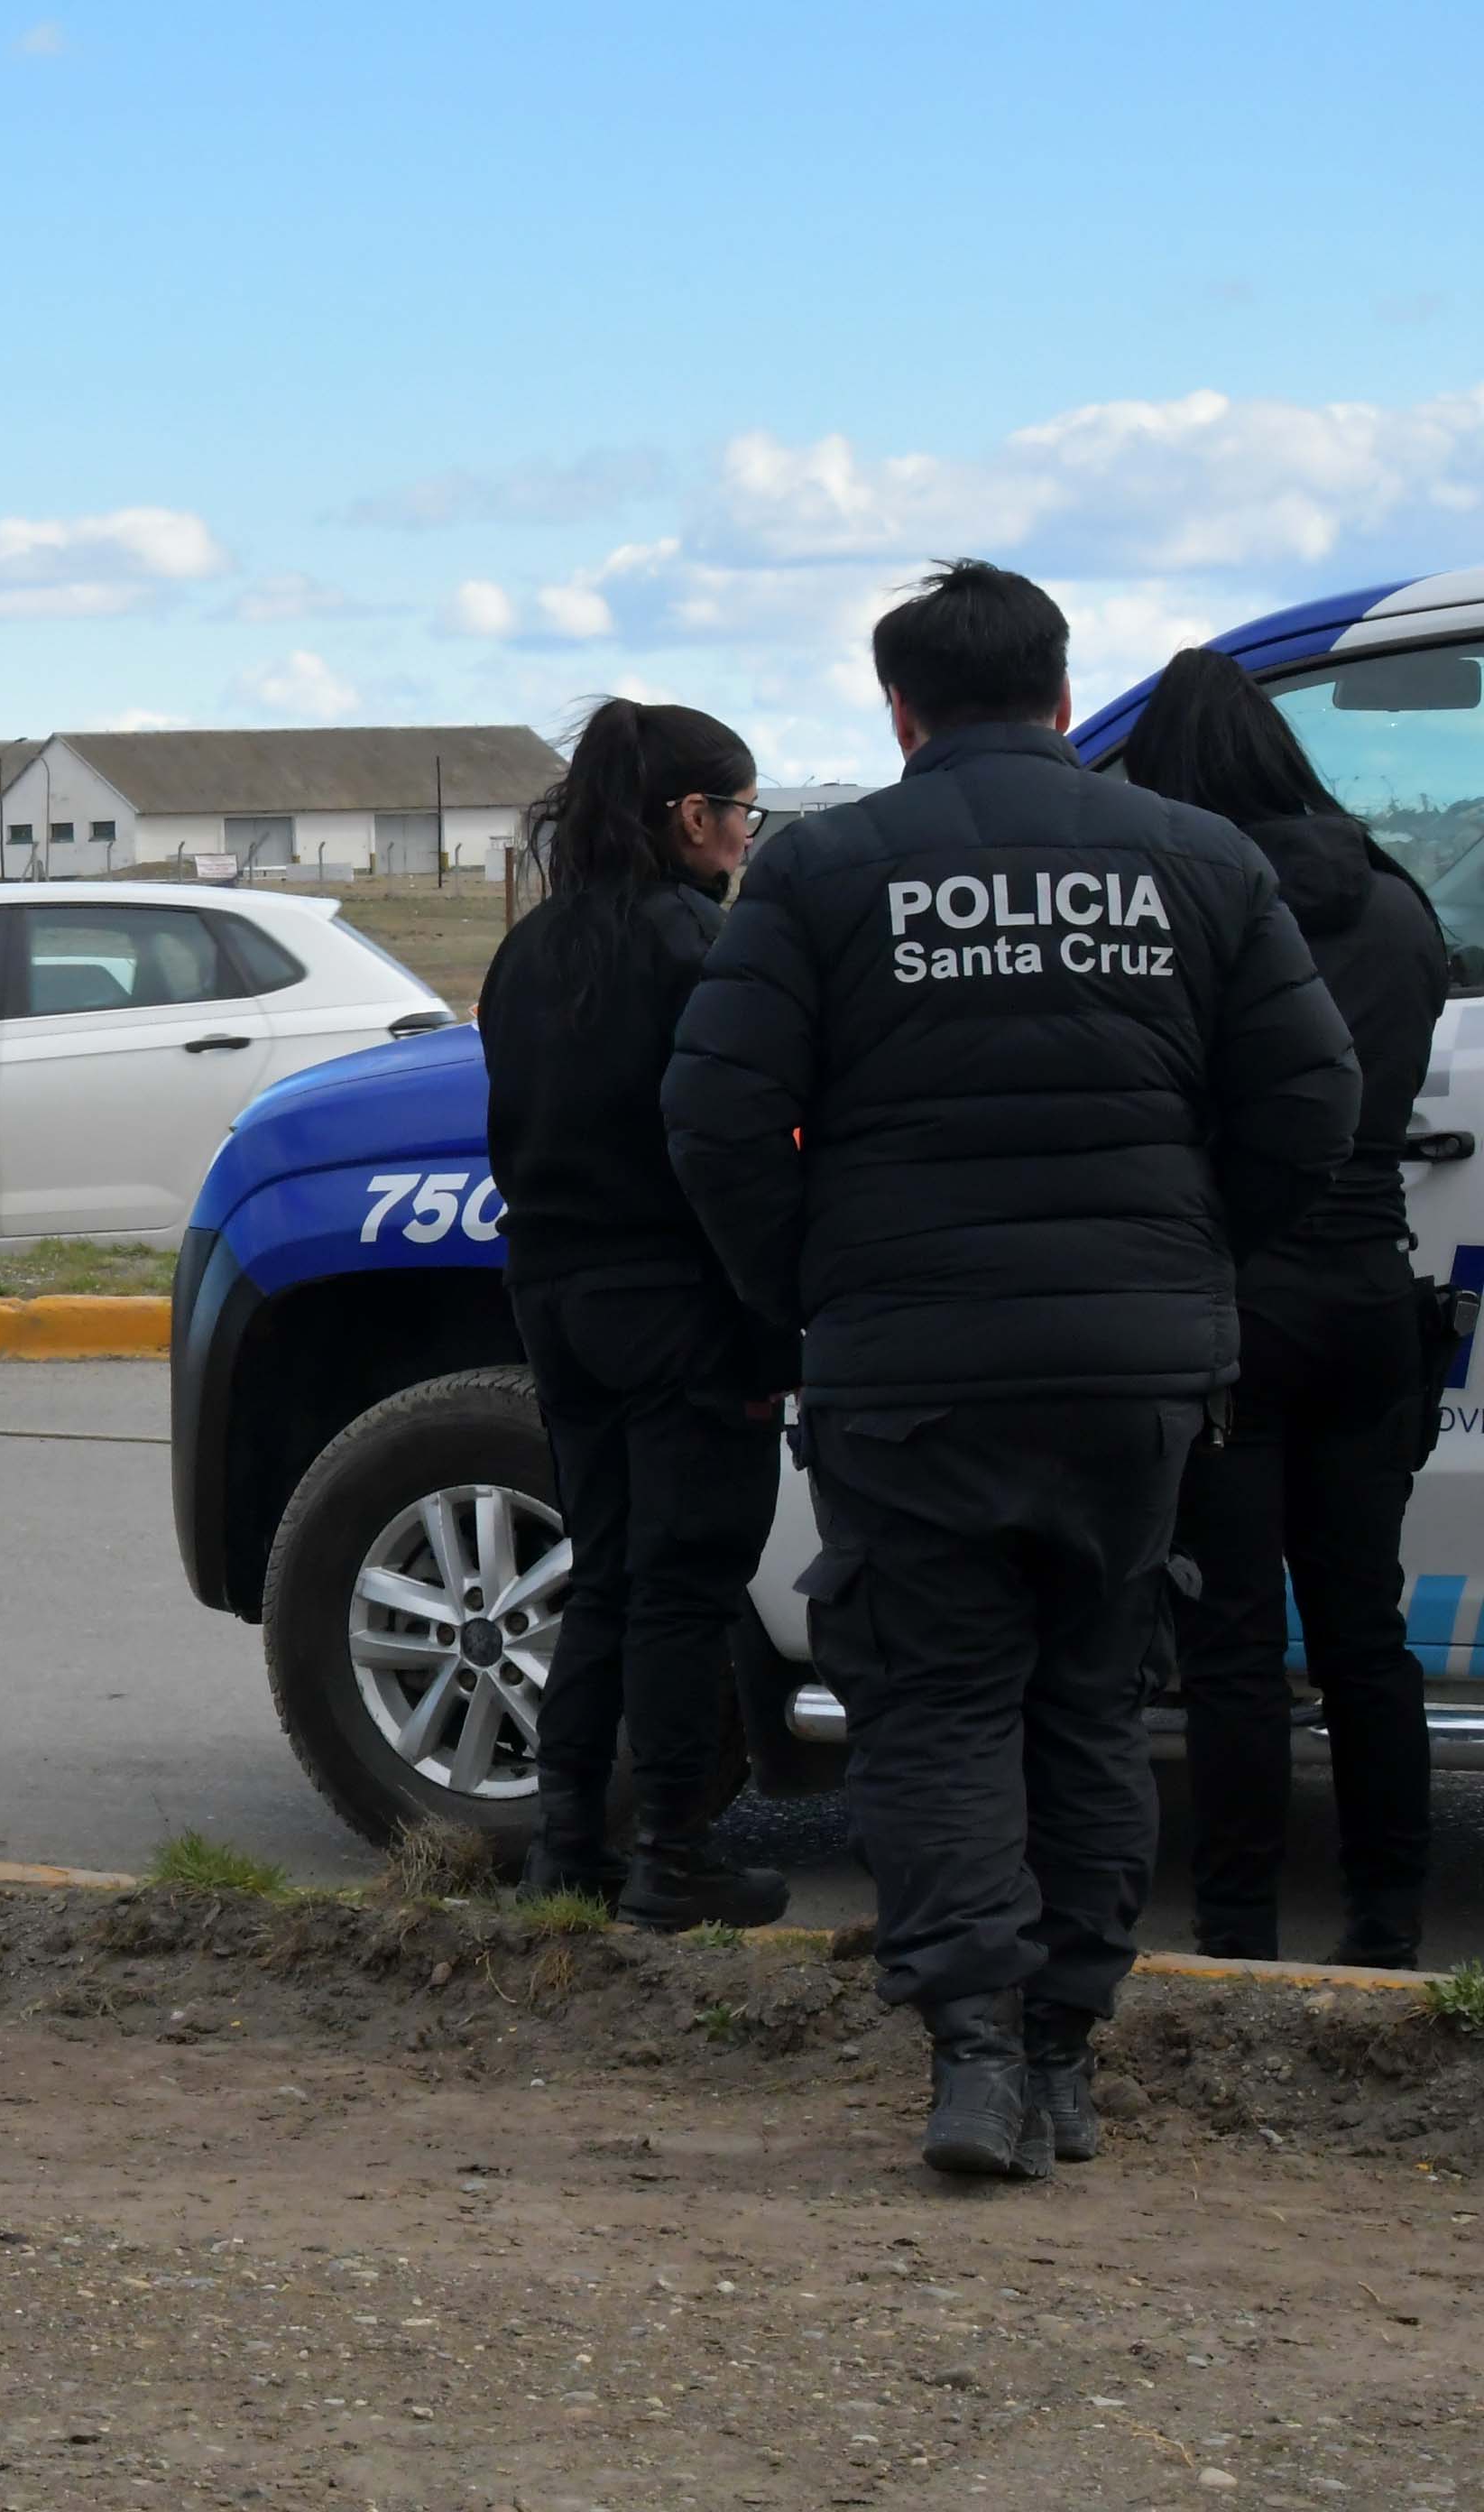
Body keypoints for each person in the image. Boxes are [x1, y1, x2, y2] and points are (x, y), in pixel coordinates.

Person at [664, 560, 1358, 2181]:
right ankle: (1063, 2055)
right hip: (1132, 1372)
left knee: (937, 1707)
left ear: (900, 713)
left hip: (911, 1370)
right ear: (1061, 696)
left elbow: (714, 1117)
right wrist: (1189, 1261)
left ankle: (973, 2057)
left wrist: (809, 1289)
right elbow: (1314, 1100)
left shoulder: (821, 870)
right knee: (1091, 1702)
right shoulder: (1199, 859)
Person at [1126, 650, 1447, 1970]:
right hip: (1372, 1294)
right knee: (1368, 1636)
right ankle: (1388, 1931)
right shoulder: (1398, 899)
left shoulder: (1198, 903)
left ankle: (1238, 1935)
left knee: (1236, 1645)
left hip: (1236, 1300)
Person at [476, 699, 792, 1931]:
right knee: (687, 1578)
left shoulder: (527, 952)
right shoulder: (698, 947)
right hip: (679, 1298)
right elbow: (733, 1144)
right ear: (692, 817)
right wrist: (774, 1319)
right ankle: (674, 1846)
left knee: (603, 1569)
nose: (749, 837)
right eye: (743, 812)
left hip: (552, 1290)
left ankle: (568, 1844)